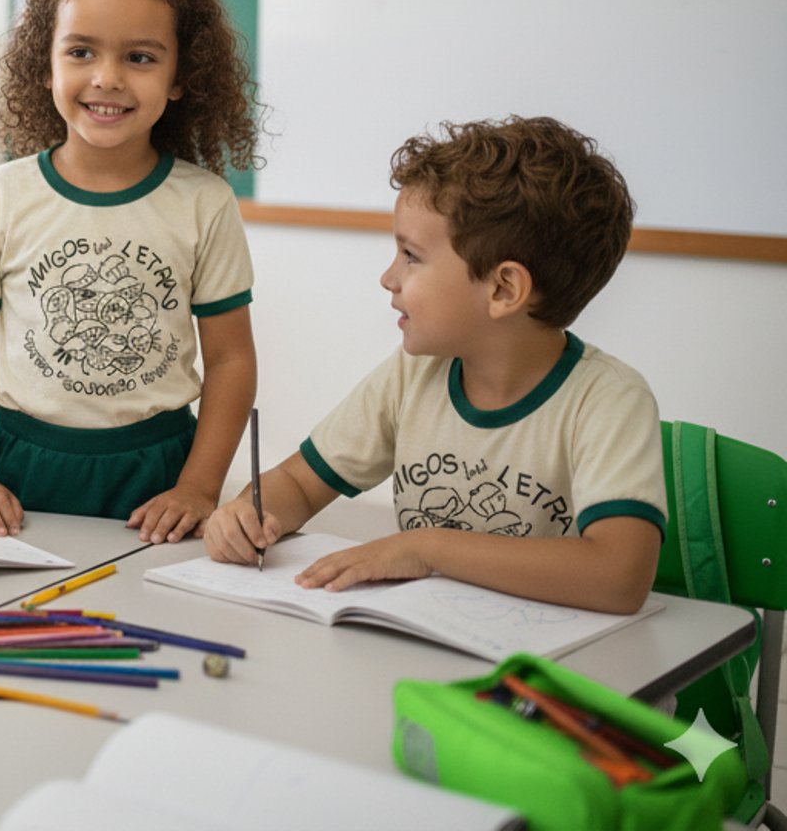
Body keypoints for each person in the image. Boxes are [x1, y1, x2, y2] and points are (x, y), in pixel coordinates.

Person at [203, 117, 664, 614]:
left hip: (551, 675)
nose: (388, 277)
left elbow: (619, 577)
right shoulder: (412, 376)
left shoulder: (610, 399)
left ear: (504, 289)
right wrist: (248, 512)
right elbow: (297, 483)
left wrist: (427, 549)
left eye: (411, 256)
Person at [0, 0, 261, 541]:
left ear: (178, 77)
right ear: (46, 64)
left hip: (160, 469)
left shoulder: (205, 203)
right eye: (81, 52)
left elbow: (230, 358)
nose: (107, 79)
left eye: (140, 58)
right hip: (20, 465)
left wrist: (197, 486)